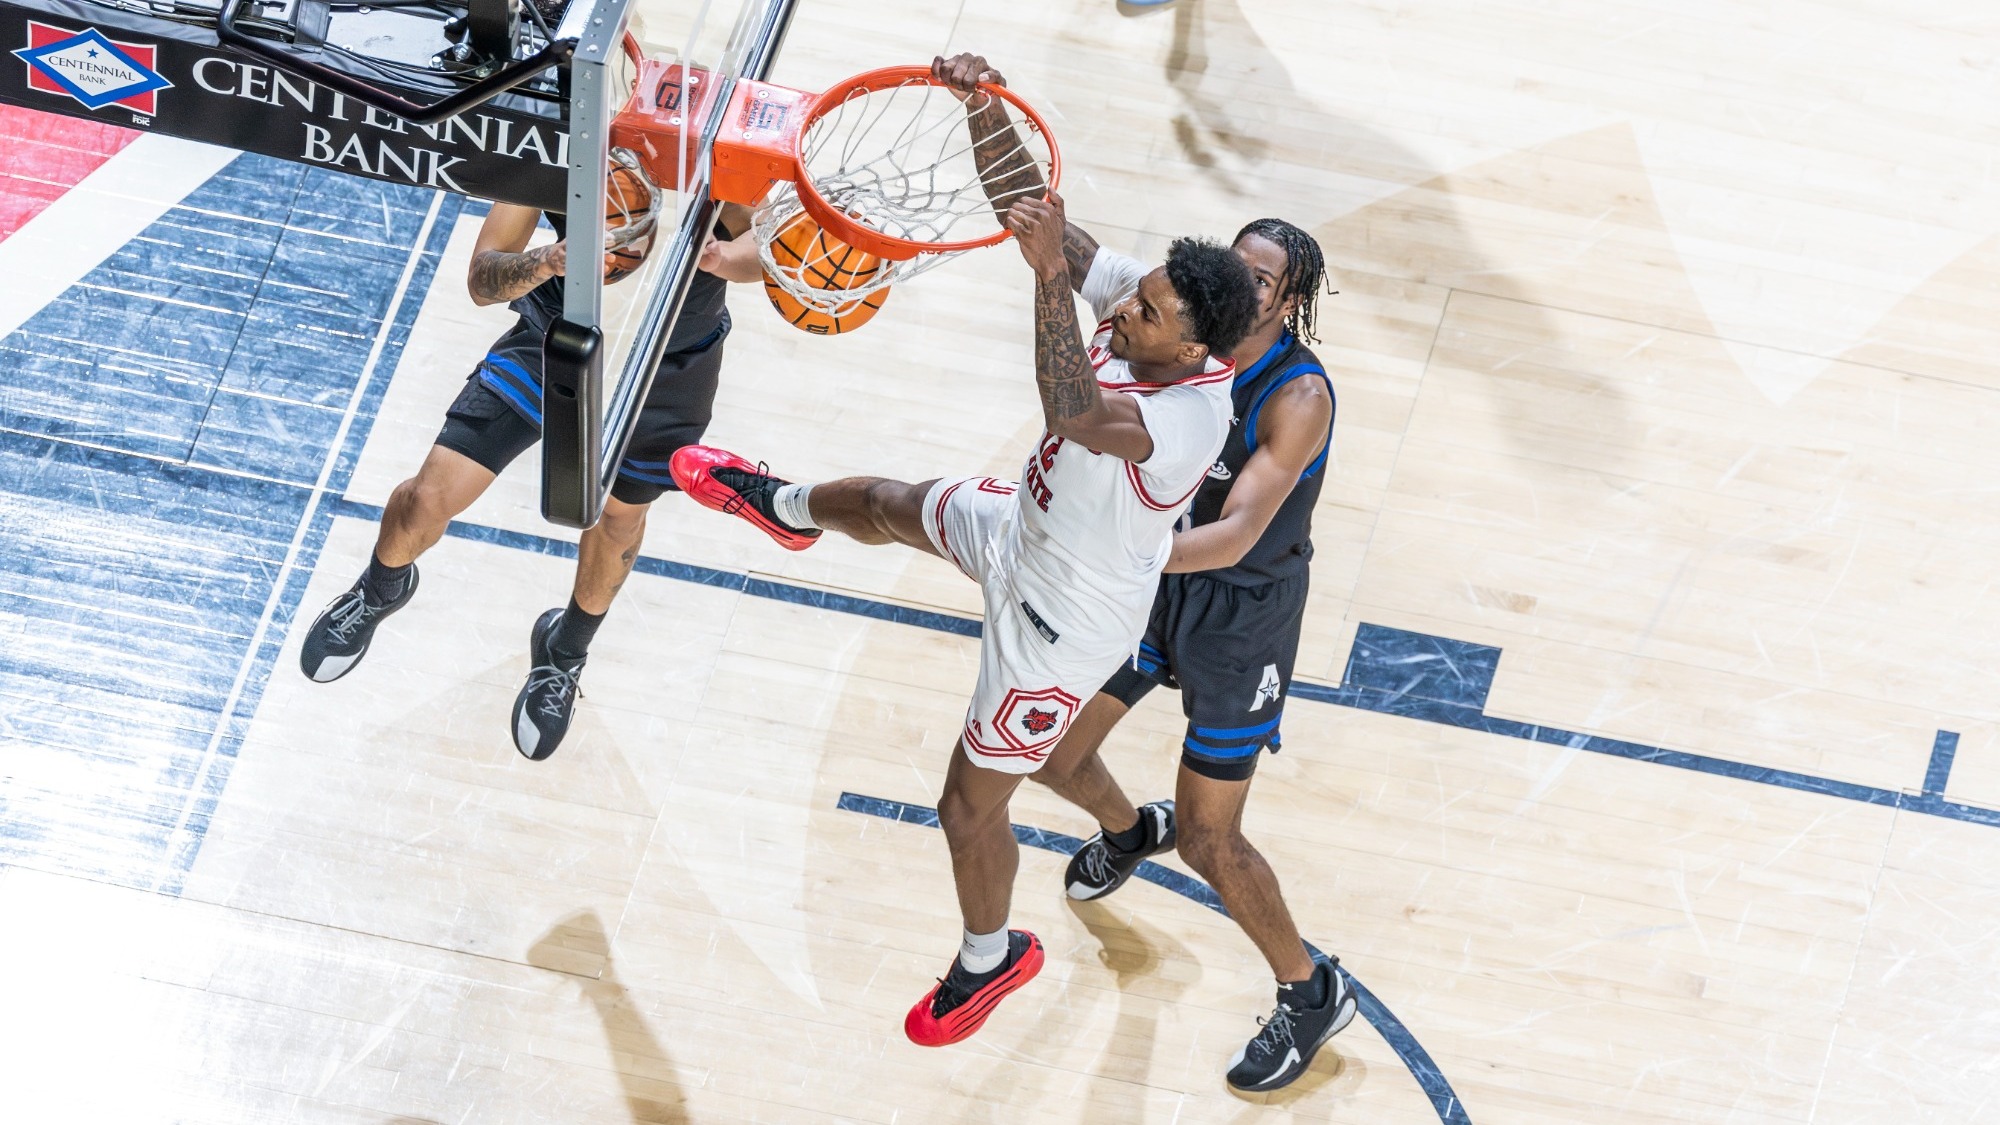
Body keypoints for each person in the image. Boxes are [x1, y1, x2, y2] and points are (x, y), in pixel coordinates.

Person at [665, 52, 1260, 1049]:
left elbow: (1071, 409)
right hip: (1025, 530)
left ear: (1195, 350)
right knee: (889, 500)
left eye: (1143, 313)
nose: (1119, 308)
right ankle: (783, 507)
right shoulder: (1143, 307)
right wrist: (979, 107)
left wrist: (1042, 287)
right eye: (1132, 294)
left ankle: (990, 960)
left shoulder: (1194, 419)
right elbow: (1033, 213)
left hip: (1059, 633)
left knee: (965, 806)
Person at [1031, 216, 1348, 1092]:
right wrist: (987, 111)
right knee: (1049, 746)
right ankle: (1132, 832)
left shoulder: (1298, 396)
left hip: (1241, 615)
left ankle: (1309, 989)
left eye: (1263, 280)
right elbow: (1065, 239)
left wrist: (1119, 549)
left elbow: (1241, 532)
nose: (1244, 286)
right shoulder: (1177, 317)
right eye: (1237, 268)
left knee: (1213, 840)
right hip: (1158, 579)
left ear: (1288, 300)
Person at [296, 193, 766, 761]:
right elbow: (482, 280)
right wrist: (549, 260)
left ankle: (564, 653)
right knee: (427, 498)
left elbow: (763, 255)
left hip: (666, 367)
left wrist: (716, 258)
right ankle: (380, 589)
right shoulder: (572, 139)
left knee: (619, 521)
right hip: (554, 340)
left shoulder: (720, 157)